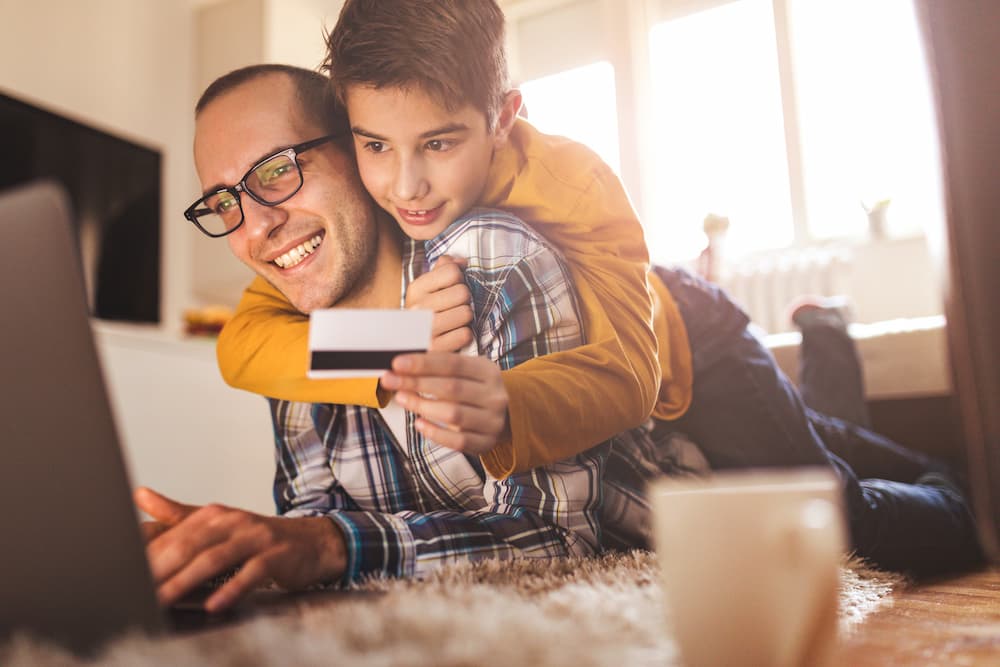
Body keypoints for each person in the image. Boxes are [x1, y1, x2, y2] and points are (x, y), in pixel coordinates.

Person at [208, 0, 984, 580]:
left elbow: (630, 375)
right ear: (353, 129)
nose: (406, 184)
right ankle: (826, 352)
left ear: (503, 118)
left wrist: (511, 404)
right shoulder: (337, 224)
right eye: (376, 145)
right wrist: (392, 341)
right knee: (804, 440)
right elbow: (241, 347)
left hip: (683, 344)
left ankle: (960, 483)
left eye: (440, 144)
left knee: (829, 511)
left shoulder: (569, 183)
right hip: (631, 410)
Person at [141, 65, 703, 614]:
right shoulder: (290, 324)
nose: (256, 227)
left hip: (682, 342)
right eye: (222, 203)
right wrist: (223, 550)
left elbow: (556, 541)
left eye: (275, 171)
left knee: (781, 449)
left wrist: (326, 546)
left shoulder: (492, 250)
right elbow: (316, 524)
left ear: (359, 151)